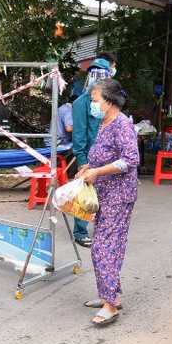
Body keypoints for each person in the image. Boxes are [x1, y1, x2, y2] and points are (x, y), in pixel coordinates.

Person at [77, 78, 138, 326]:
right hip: (104, 194)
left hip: (119, 196)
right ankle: (110, 296)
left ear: (109, 101)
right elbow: (104, 155)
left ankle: (110, 305)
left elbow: (130, 160)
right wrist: (88, 167)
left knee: (103, 247)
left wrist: (98, 171)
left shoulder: (122, 124)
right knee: (108, 246)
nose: (92, 104)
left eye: (94, 100)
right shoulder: (104, 122)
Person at [71, 56, 113, 247]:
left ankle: (103, 229)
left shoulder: (109, 102)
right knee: (85, 194)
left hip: (107, 155)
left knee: (105, 194)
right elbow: (79, 134)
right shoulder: (82, 103)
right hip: (89, 156)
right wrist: (81, 159)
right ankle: (80, 232)